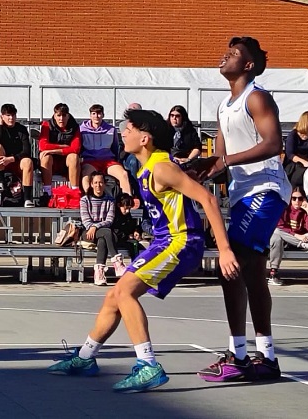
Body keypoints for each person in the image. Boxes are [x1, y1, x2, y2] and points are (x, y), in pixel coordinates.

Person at [48, 108, 236, 393]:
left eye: (129, 129)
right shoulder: (149, 167)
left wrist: (224, 250)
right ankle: (85, 358)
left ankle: (148, 365)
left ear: (145, 138)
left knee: (124, 293)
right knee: (114, 296)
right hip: (164, 240)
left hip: (181, 241)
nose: (123, 132)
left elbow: (209, 201)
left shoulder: (161, 167)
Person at [196, 36, 290, 382]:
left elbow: (273, 143)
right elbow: (221, 160)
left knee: (229, 265)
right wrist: (202, 168)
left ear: (248, 65)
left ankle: (237, 355)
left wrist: (224, 160)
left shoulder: (257, 97)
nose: (225, 55)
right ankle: (266, 357)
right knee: (250, 273)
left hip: (265, 189)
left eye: (234, 53)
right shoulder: (224, 106)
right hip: (242, 195)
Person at [268, 189, 308, 286]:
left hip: (301, 239)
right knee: (276, 233)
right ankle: (273, 273)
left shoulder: (304, 211)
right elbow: (280, 226)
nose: (297, 201)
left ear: (304, 199)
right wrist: (297, 236)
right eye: (294, 198)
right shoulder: (284, 209)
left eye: (300, 198)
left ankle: (305, 244)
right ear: (290, 199)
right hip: (286, 240)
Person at [80, 172, 125, 286]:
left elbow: (109, 220)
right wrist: (92, 227)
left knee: (103, 239)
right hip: (89, 233)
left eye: (100, 182)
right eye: (95, 182)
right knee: (106, 233)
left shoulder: (110, 200)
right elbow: (86, 221)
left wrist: (96, 226)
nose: (98, 185)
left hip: (104, 231)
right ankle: (117, 263)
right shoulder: (85, 200)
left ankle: (99, 273)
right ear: (91, 184)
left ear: (104, 184)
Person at [80, 104, 131, 197]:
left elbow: (115, 147)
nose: (96, 116)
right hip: (90, 161)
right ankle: (89, 198)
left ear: (103, 115)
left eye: (99, 113)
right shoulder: (82, 129)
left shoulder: (111, 129)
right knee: (86, 175)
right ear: (90, 115)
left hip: (108, 161)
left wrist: (116, 159)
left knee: (124, 174)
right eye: (94, 113)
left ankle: (126, 200)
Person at [0, 104, 36, 202]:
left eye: (13, 115)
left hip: (17, 162)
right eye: (8, 115)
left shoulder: (22, 129)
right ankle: (1, 181)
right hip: (1, 163)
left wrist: (12, 158)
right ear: (2, 116)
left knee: (28, 161)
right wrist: (0, 125)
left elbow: (27, 151)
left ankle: (27, 199)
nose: (11, 118)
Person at [38, 103, 81, 198]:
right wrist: (63, 146)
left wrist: (53, 150)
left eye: (64, 115)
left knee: (74, 157)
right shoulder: (47, 125)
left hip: (67, 163)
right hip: (51, 164)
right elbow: (42, 146)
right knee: (45, 157)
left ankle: (75, 192)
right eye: (58, 115)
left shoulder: (75, 127)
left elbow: (75, 148)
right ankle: (47, 192)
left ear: (68, 116)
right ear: (54, 115)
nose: (61, 119)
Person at [284, 111, 308, 189]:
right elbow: (290, 154)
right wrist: (304, 162)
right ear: (307, 122)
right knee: (300, 174)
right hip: (293, 164)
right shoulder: (293, 135)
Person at [111, 193, 142, 263]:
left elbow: (132, 226)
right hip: (115, 240)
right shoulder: (113, 215)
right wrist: (127, 235)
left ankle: (136, 265)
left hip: (124, 239)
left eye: (129, 208)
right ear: (119, 205)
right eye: (126, 208)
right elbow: (114, 230)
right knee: (134, 245)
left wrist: (135, 231)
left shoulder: (127, 215)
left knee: (136, 245)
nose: (127, 211)